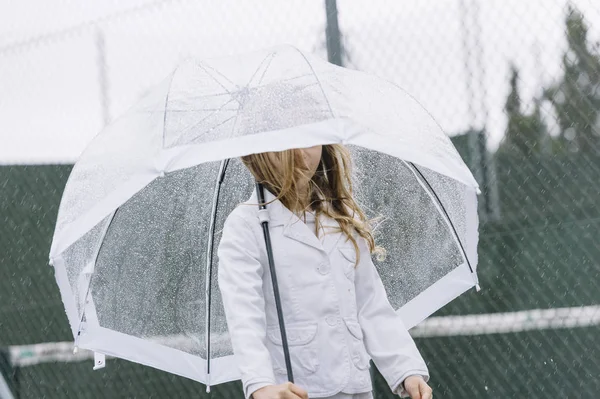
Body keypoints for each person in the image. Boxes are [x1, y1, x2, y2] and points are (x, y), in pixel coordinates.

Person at [217, 144, 432, 399]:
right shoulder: (245, 225)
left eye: (309, 138)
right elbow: (244, 316)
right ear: (257, 153)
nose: (300, 152)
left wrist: (406, 370)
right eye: (286, 143)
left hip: (356, 388)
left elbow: (370, 304)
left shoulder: (342, 217)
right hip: (295, 390)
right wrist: (261, 385)